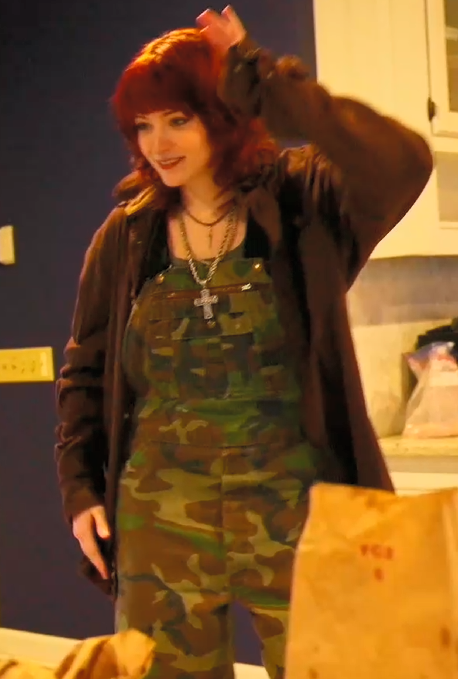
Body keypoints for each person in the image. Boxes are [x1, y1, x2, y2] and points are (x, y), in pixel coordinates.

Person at [55, 6, 433, 679]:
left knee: (334, 668)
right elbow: (86, 372)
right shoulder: (127, 237)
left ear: (221, 113)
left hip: (296, 512)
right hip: (160, 518)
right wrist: (81, 488)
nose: (158, 143)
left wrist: (265, 82)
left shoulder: (303, 203)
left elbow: (401, 161)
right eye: (143, 125)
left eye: (178, 119)